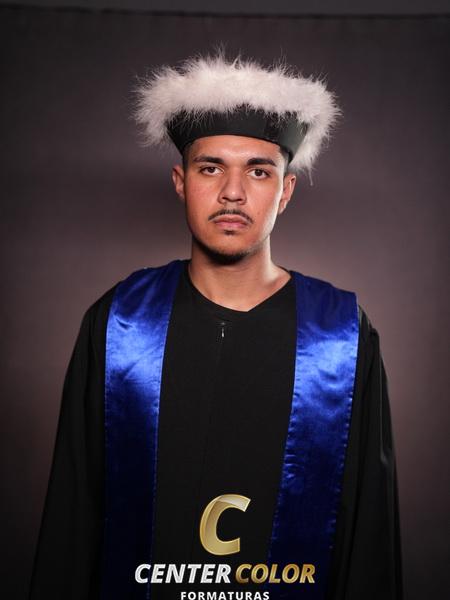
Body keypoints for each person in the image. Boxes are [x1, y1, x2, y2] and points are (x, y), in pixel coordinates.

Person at [29, 51, 403, 600]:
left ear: (286, 190)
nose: (233, 192)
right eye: (210, 168)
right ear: (181, 181)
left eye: (258, 170)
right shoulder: (122, 323)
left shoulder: (340, 336)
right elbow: (73, 516)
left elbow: (369, 533)